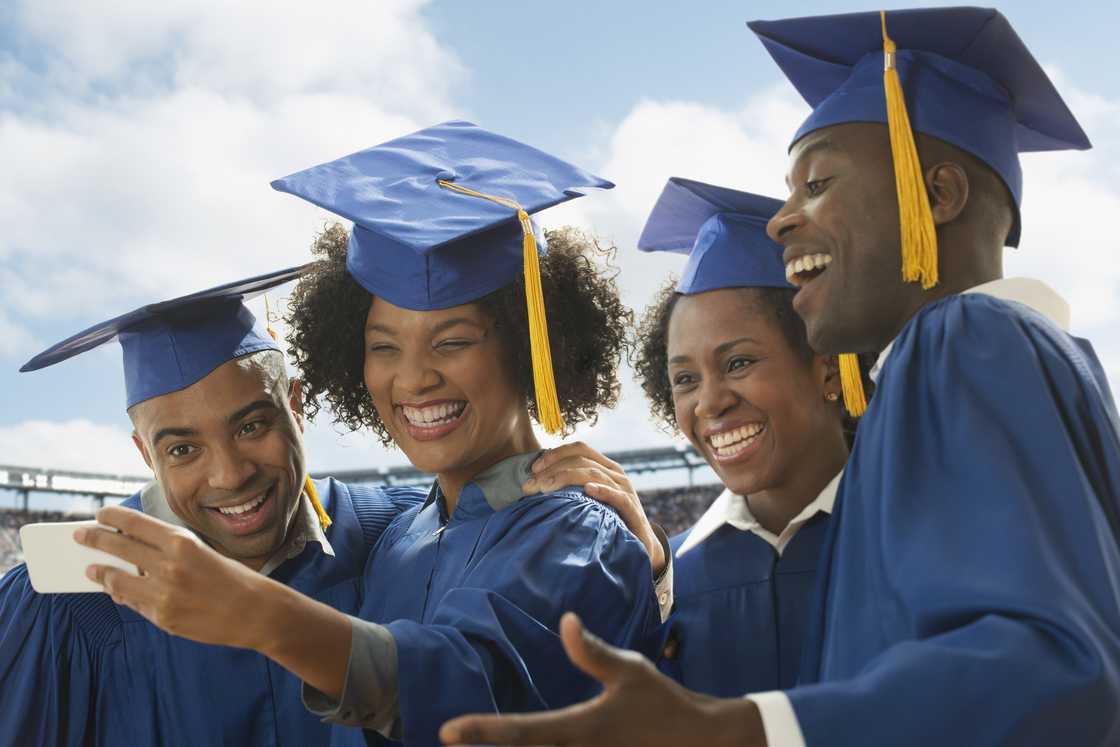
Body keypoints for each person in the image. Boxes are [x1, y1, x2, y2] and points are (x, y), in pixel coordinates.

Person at [439, 8, 1120, 746]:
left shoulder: (965, 339)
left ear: (940, 196)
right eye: (683, 379)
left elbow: (1053, 670)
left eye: (818, 182)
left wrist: (740, 728)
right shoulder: (1022, 358)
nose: (781, 219)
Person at [81, 121, 667, 747]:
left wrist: (261, 616)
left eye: (453, 341)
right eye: (383, 347)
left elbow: (480, 685)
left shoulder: (575, 533)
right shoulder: (399, 537)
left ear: (530, 346)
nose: (413, 379)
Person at [0, 267, 427, 746]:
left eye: (251, 427)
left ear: (296, 406)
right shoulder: (70, 600)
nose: (230, 475)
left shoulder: (399, 537)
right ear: (146, 455)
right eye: (183, 449)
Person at [632, 176, 858, 697]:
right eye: (685, 379)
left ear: (828, 368)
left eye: (738, 362)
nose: (709, 402)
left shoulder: (914, 537)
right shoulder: (666, 589)